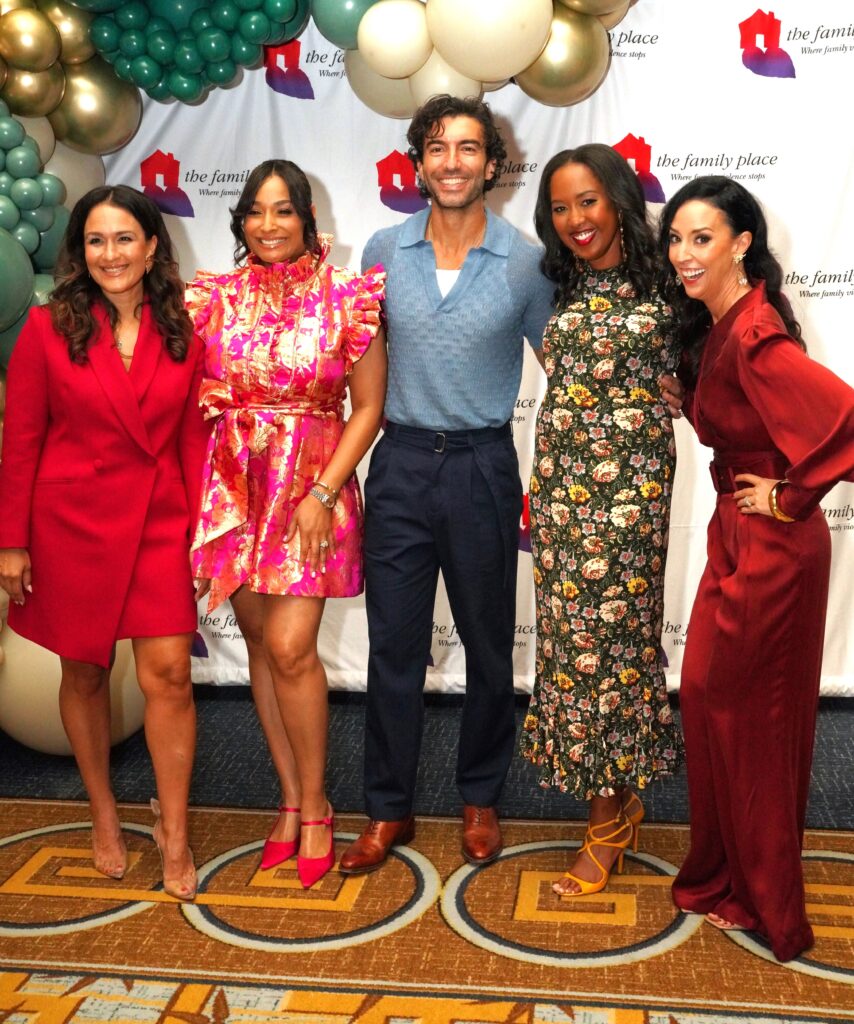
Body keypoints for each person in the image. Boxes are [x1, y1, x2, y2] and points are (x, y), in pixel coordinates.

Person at [339, 95, 554, 876]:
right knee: (393, 647)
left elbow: (565, 366)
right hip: (398, 465)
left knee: (489, 646)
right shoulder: (381, 250)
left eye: (468, 147)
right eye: (437, 147)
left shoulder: (525, 262)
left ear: (492, 164)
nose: (453, 162)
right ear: (419, 163)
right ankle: (386, 807)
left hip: (481, 467)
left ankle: (480, 797)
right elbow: (358, 362)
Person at [658, 175, 854, 961]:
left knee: (757, 724)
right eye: (676, 239)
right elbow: (742, 419)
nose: (683, 253)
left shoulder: (755, 333)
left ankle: (768, 899)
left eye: (701, 238)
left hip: (775, 550)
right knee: (709, 699)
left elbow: (845, 423)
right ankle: (727, 873)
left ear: (741, 243)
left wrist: (793, 494)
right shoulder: (723, 326)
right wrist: (688, 400)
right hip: (737, 537)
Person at [0, 185, 208, 900]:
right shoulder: (46, 327)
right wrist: (11, 541)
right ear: (80, 251)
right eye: (96, 240)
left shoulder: (184, 329)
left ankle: (174, 830)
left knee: (170, 677)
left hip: (158, 521)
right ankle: (104, 812)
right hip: (72, 526)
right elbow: (22, 438)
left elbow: (193, 441)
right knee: (84, 674)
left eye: (124, 238)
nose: (110, 253)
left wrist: (203, 538)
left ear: (151, 247)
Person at [188, 159, 387, 889]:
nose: (268, 225)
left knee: (290, 646)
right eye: (255, 211)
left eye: (283, 210)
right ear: (240, 220)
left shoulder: (347, 298)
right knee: (259, 647)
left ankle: (319, 806)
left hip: (311, 490)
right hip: (237, 489)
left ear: (307, 217)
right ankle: (290, 798)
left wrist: (324, 493)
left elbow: (369, 407)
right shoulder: (213, 298)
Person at [519, 146, 683, 897]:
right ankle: (617, 802)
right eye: (560, 207)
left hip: (632, 496)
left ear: (618, 199)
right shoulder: (556, 281)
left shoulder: (669, 279)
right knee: (569, 644)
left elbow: (721, 356)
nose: (575, 219)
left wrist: (691, 389)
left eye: (587, 201)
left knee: (610, 646)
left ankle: (607, 823)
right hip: (560, 489)